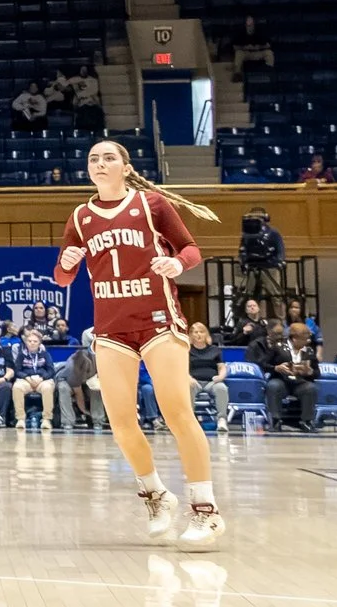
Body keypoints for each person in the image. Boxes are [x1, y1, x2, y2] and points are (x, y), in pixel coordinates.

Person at [54, 139, 219, 541]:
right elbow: (61, 277)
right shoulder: (79, 216)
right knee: (122, 422)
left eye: (109, 157)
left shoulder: (152, 204)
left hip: (158, 321)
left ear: (126, 167)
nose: (100, 163)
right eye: (93, 158)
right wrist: (66, 262)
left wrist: (177, 262)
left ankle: (206, 510)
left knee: (177, 413)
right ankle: (157, 494)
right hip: (111, 329)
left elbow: (191, 249)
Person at [259, 315, 321, 431]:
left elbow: (317, 373)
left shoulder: (309, 351)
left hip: (299, 382)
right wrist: (276, 368)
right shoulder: (278, 348)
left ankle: (306, 421)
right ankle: (275, 420)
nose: (307, 341)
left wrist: (310, 371)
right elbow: (264, 364)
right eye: (304, 339)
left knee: (310, 388)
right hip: (281, 380)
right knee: (273, 386)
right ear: (294, 339)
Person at [184, 318, 233, 433]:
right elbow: (182, 368)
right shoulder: (187, 350)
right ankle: (190, 420)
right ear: (191, 335)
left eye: (201, 332)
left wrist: (221, 377)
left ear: (206, 334)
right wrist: (188, 378)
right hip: (194, 381)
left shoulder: (214, 350)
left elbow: (222, 367)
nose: (198, 335)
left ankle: (221, 419)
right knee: (187, 386)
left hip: (212, 382)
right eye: (195, 332)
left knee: (221, 388)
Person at [14, 328, 56, 432]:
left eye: (35, 341)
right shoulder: (21, 354)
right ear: (26, 342)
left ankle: (46, 419)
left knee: (47, 388)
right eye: (30, 341)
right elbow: (17, 371)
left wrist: (41, 378)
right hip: (26, 380)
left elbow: (51, 371)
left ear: (39, 343)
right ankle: (20, 419)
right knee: (17, 387)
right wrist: (27, 378)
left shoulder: (45, 354)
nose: (32, 343)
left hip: (42, 380)